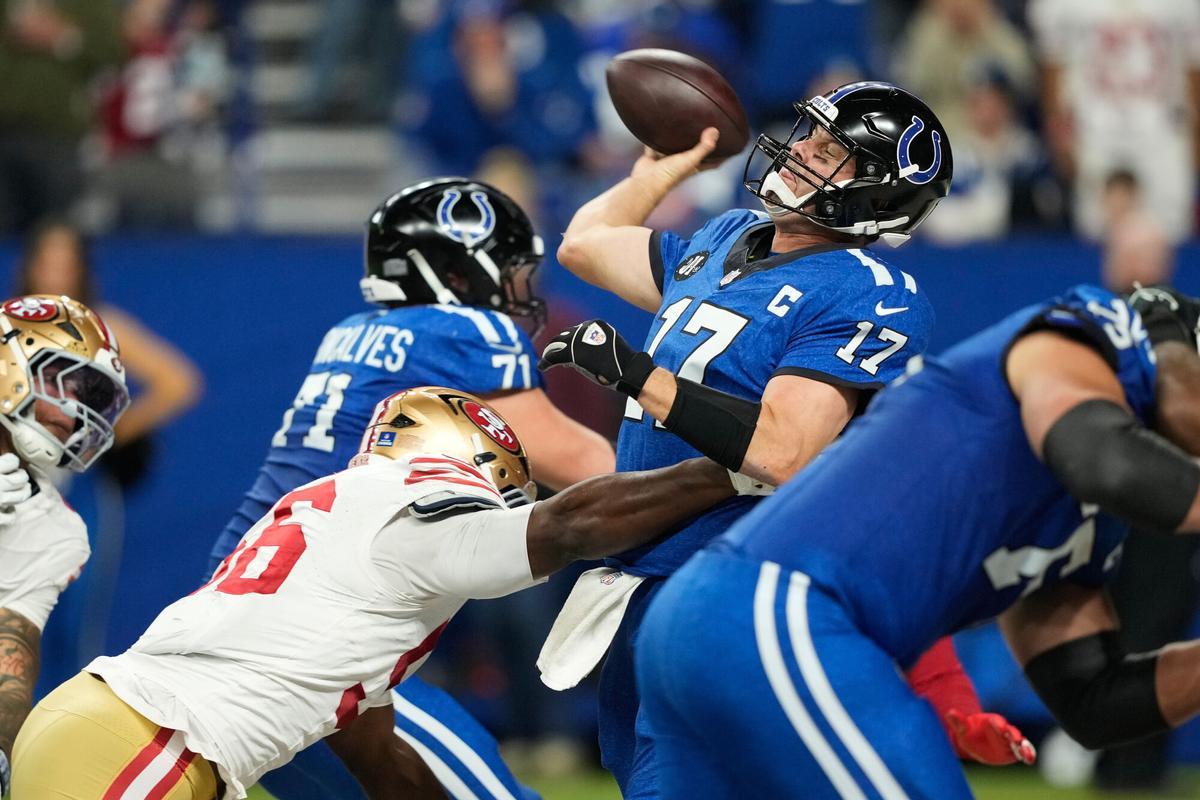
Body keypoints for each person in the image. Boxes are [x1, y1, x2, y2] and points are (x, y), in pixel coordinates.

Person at [541, 79, 1029, 797]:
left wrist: (637, 375)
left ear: (875, 192)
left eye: (829, 150)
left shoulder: (866, 290)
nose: (799, 152)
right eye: (807, 135)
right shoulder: (726, 238)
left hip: (735, 589)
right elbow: (583, 244)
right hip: (644, 584)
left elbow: (786, 451)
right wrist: (659, 172)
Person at [11, 386, 753, 799]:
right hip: (151, 746)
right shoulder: (416, 507)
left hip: (118, 729)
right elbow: (571, 523)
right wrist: (740, 466)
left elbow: (382, 767)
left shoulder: (342, 533)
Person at [632, 284, 1200, 798]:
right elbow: (1107, 463)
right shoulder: (1083, 337)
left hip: (720, 623)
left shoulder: (1088, 515)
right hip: (778, 612)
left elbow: (1094, 700)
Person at [205, 178, 614, 799]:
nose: (516, 290)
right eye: (506, 270)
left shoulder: (351, 330)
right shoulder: (466, 332)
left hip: (229, 605)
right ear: (455, 272)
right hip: (312, 630)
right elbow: (590, 467)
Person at [16, 220, 203, 694]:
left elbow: (179, 382)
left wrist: (102, 435)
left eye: (67, 262)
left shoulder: (99, 326)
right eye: (47, 259)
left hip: (78, 494)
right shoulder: (9, 324)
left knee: (72, 627)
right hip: (14, 490)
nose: (56, 272)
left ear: (82, 269)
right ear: (30, 264)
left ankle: (57, 748)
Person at [0, 294, 130, 797]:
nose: (77, 411)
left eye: (90, 394)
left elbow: (9, 665)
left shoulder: (55, 528)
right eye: (65, 382)